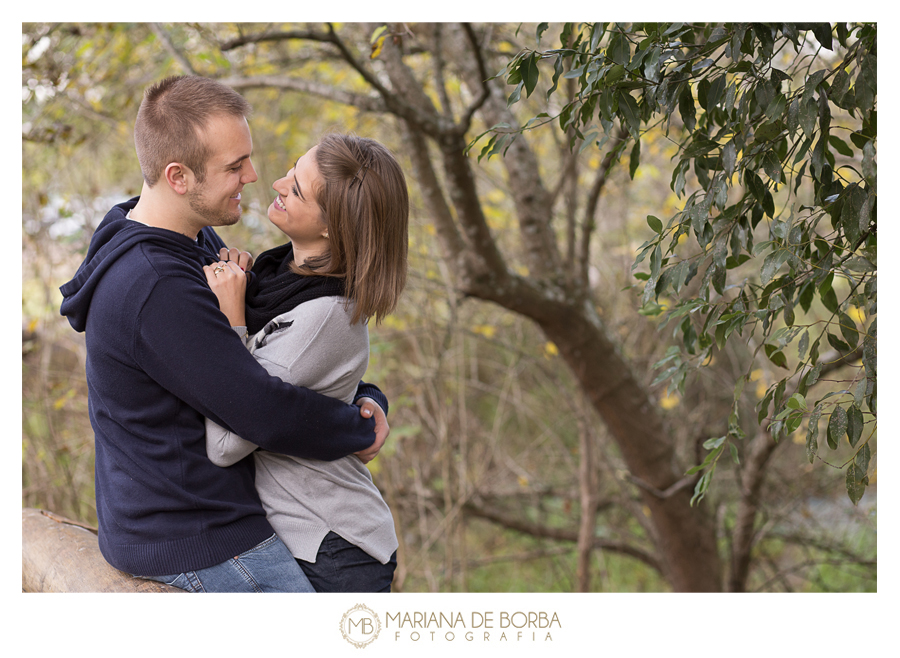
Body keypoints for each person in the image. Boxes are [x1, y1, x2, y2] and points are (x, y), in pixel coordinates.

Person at [59, 76, 389, 593]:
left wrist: (365, 393)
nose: (254, 176)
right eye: (234, 166)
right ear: (179, 176)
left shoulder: (181, 235)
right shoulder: (155, 285)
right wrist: (357, 425)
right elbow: (258, 409)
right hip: (196, 535)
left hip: (212, 515)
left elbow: (288, 351)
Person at [205, 133, 408, 592]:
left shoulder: (322, 315)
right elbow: (310, 379)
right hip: (315, 537)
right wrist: (366, 399)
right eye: (292, 172)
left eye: (295, 188)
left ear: (333, 227)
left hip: (334, 546)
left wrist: (231, 319)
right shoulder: (282, 278)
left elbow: (224, 445)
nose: (276, 183)